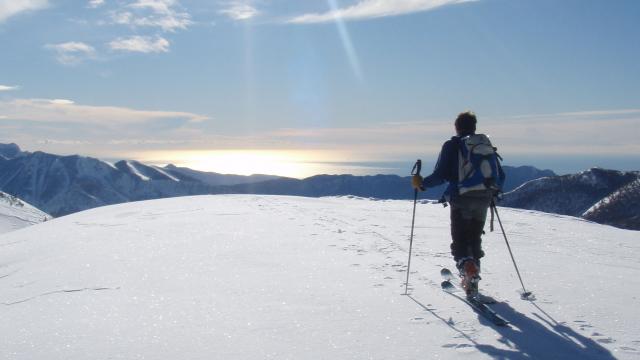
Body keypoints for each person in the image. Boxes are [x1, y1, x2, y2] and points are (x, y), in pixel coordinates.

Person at [412, 111, 505, 297]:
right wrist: (492, 193)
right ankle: (472, 279)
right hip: (484, 198)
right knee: (475, 238)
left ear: (457, 127)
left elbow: (441, 175)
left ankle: (468, 271)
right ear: (474, 126)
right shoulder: (484, 145)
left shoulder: (453, 145)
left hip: (461, 199)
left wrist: (421, 184)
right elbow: (500, 175)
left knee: (460, 241)